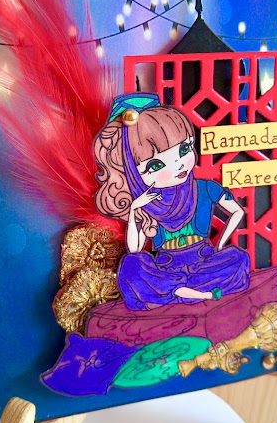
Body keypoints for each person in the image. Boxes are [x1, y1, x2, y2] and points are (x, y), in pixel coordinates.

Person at [94, 93, 250, 311]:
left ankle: (181, 293)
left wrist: (221, 244)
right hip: (167, 269)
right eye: (156, 165)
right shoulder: (147, 201)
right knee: (131, 266)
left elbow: (237, 212)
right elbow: (135, 249)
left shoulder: (205, 187)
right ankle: (197, 293)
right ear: (134, 174)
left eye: (184, 149)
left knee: (239, 258)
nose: (178, 166)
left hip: (203, 262)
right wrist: (135, 208)